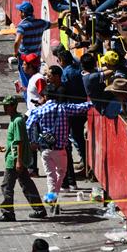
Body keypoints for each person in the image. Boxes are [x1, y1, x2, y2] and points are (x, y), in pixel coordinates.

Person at [26, 85, 92, 214]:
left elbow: (28, 126)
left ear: (45, 97)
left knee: (51, 175)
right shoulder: (64, 108)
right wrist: (96, 102)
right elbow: (82, 107)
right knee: (60, 174)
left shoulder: (39, 110)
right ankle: (52, 197)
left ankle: (52, 197)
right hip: (61, 149)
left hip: (45, 149)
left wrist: (32, 141)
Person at [0, 95, 47, 221]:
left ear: (13, 106)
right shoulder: (15, 119)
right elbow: (16, 141)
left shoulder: (17, 121)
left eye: (7, 106)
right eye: (4, 106)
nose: (5, 108)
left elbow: (19, 142)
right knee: (26, 184)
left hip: (14, 160)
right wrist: (6, 148)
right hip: (16, 158)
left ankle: (8, 213)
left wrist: (18, 161)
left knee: (6, 186)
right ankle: (39, 209)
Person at [14, 1, 51, 88]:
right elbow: (54, 24)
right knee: (34, 80)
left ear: (23, 13)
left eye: (20, 11)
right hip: (36, 58)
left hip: (25, 59)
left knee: (26, 82)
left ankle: (29, 98)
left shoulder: (22, 26)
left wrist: (15, 52)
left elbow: (17, 42)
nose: (19, 13)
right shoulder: (40, 23)